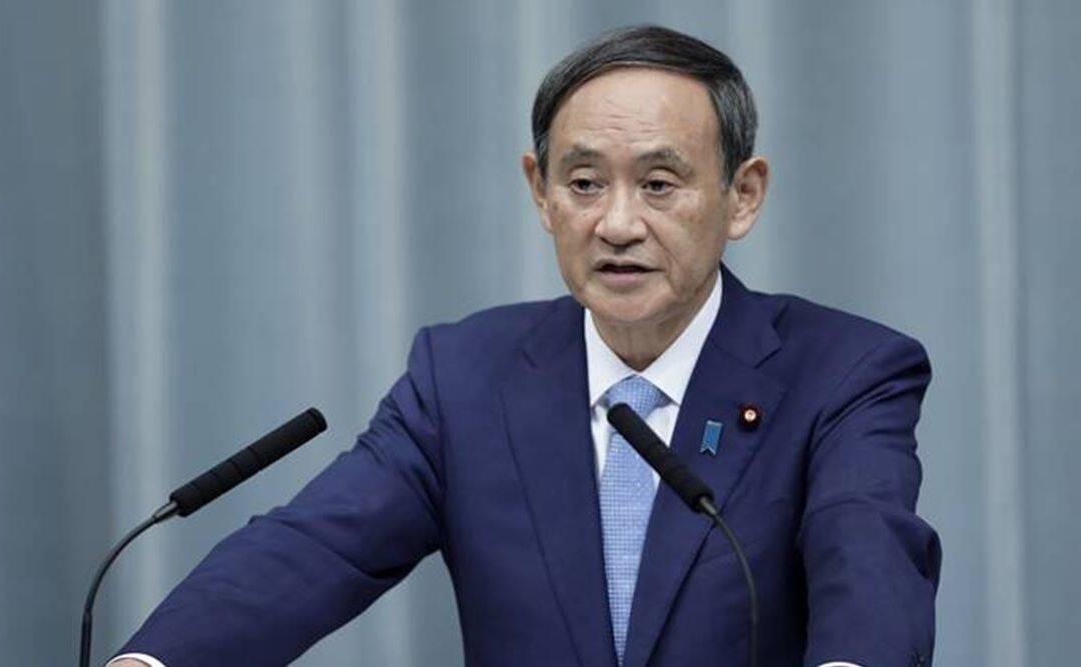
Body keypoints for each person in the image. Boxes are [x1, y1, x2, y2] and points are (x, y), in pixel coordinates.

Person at [110, 25, 940, 667]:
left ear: (742, 195)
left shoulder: (845, 373)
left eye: (658, 184)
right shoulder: (466, 376)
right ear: (541, 194)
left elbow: (866, 557)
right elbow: (315, 545)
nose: (617, 223)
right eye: (584, 183)